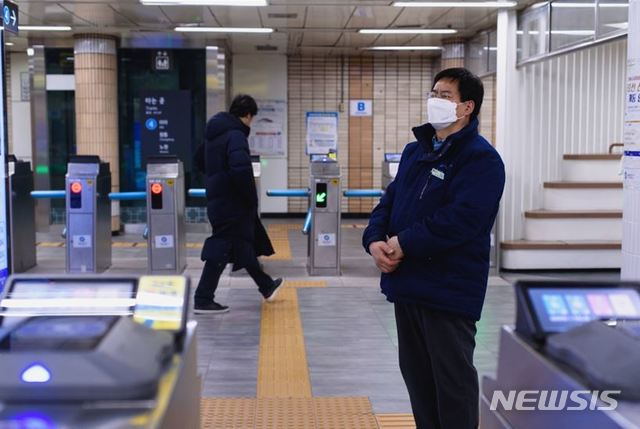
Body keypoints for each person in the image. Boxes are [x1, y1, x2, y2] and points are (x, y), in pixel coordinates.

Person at [362, 68, 505, 429]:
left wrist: (404, 243)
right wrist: (375, 240)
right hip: (408, 284)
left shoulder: (481, 159)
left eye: (445, 96)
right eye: (434, 93)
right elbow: (389, 202)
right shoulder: (416, 152)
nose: (435, 101)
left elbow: (463, 219)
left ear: (466, 107)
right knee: (418, 378)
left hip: (448, 290)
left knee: (451, 382)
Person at [194, 94, 283, 314]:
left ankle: (266, 285)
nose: (250, 123)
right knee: (222, 245)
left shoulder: (214, 134)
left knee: (242, 243)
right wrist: (250, 198)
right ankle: (203, 298)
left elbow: (198, 160)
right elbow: (241, 170)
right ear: (247, 115)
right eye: (251, 118)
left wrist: (216, 175)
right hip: (232, 202)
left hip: (219, 199)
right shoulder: (235, 135)